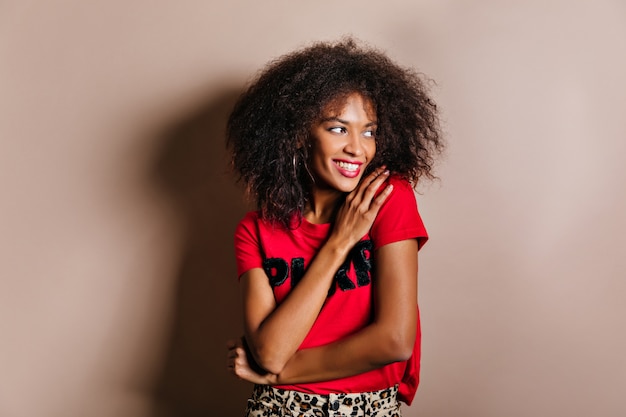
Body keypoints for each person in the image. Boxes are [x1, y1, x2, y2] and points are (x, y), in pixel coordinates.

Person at [225, 38, 443, 416]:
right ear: (297, 135)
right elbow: (270, 351)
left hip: (363, 407)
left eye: (369, 131)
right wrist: (340, 242)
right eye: (339, 129)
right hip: (278, 408)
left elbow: (394, 341)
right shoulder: (255, 230)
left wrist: (279, 375)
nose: (358, 148)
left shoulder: (387, 198)